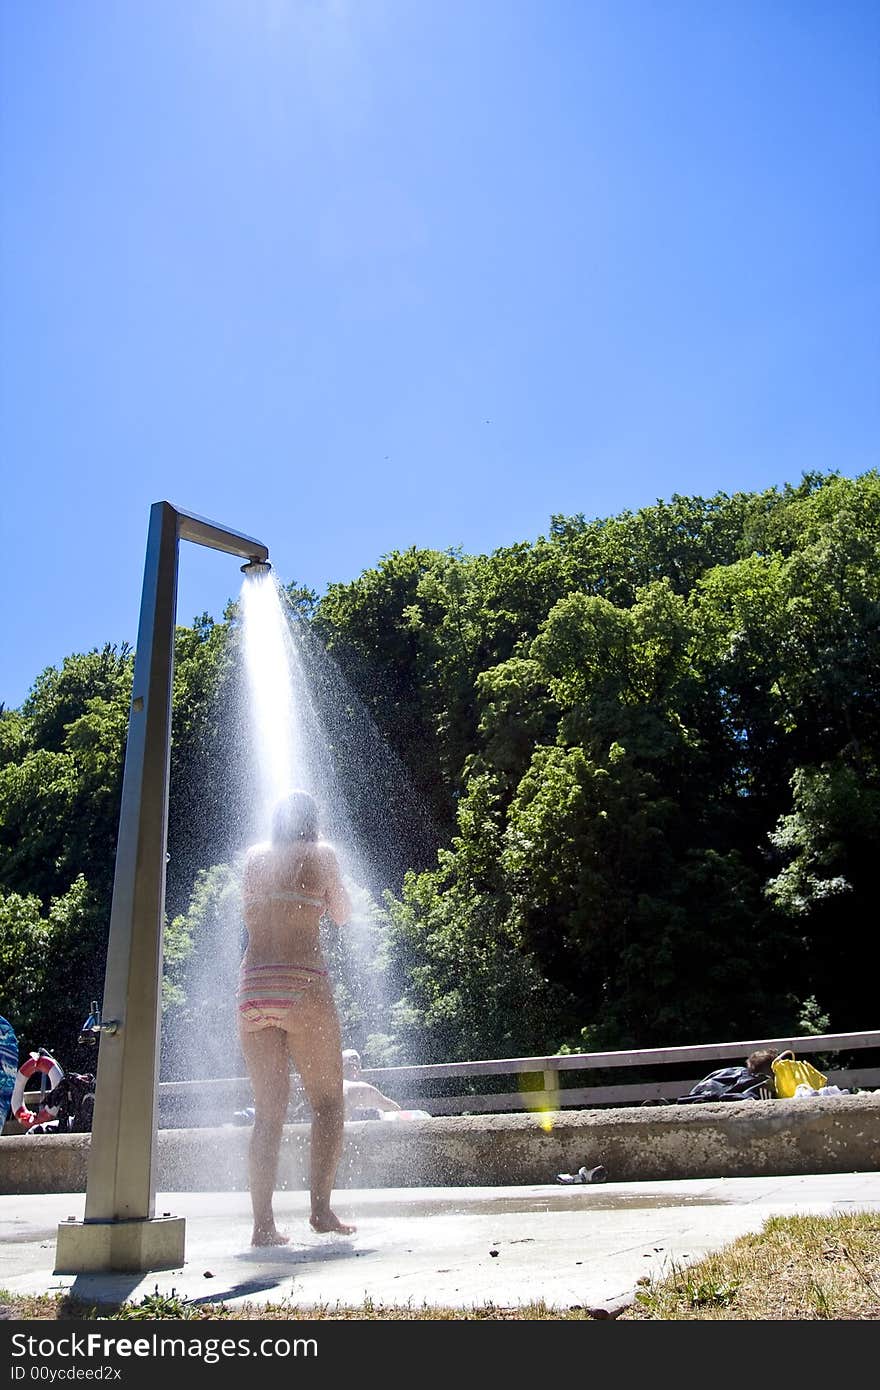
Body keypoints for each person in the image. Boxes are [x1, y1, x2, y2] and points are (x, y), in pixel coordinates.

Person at [238, 789, 355, 1244]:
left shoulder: (252, 859)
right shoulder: (323, 854)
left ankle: (263, 1226)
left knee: (268, 1114)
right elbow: (343, 915)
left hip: (252, 987)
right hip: (302, 981)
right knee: (328, 1102)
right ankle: (320, 1211)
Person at [341, 1049, 402, 1120]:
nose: (354, 1070)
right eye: (350, 1067)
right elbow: (395, 1108)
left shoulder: (334, 1087)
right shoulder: (360, 1088)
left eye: (355, 1067)